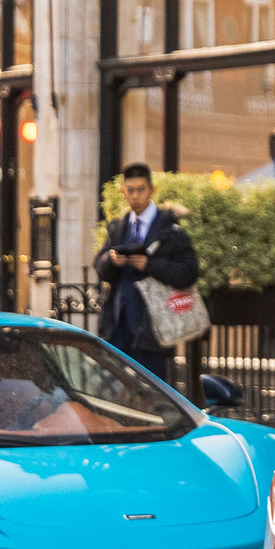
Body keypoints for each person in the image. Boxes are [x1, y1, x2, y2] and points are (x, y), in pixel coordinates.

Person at [94, 163, 199, 385]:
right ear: (123, 192)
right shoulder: (119, 227)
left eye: (141, 189)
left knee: (153, 394)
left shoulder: (170, 229)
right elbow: (99, 266)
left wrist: (150, 265)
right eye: (130, 190)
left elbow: (188, 272)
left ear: (153, 190)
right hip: (118, 326)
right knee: (119, 393)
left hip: (153, 329)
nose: (135, 196)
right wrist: (112, 261)